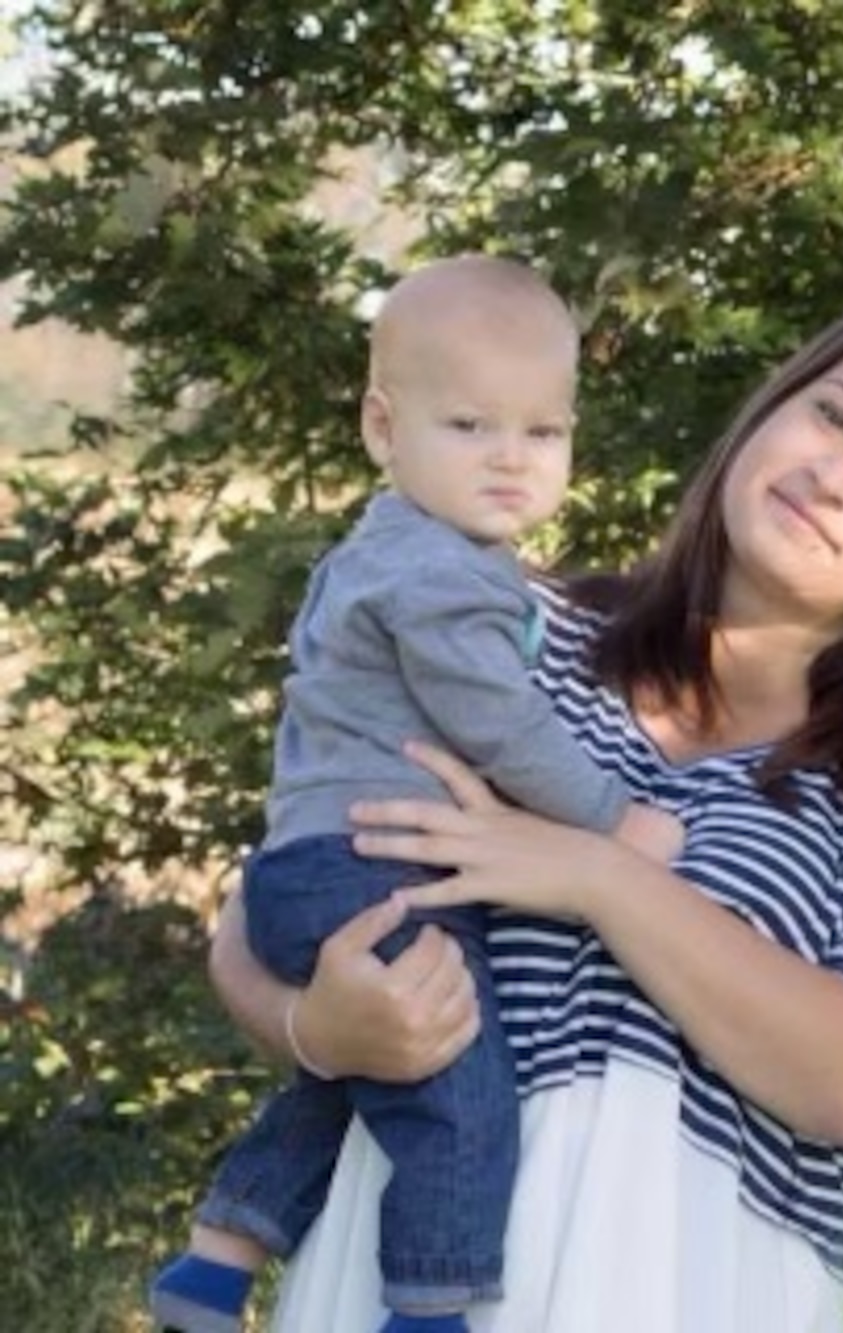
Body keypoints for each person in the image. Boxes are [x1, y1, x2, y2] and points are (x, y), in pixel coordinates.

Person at [198, 293, 843, 1332]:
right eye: (832, 417)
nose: (835, 479)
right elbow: (274, 899)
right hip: (390, 1264)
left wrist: (599, 877)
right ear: (770, 408)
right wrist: (314, 1027)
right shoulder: (508, 627)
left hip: (691, 1282)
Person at [152, 255, 683, 1333]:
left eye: (542, 432)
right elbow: (497, 720)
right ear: (383, 429)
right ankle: (429, 1311)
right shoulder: (439, 570)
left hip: (321, 865)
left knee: (356, 1073)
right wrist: (611, 824)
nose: (509, 460)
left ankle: (216, 1257)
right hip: (376, 867)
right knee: (462, 1100)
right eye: (469, 426)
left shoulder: (394, 548)